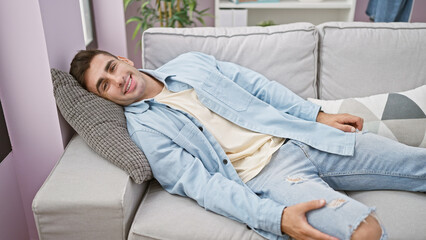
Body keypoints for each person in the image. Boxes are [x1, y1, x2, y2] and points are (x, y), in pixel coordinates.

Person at [70, 49, 425, 240]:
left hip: (302, 137)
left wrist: (317, 116)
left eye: (113, 67)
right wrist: (275, 218)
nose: (118, 80)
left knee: (418, 164)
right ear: (105, 99)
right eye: (104, 85)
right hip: (270, 177)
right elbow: (201, 185)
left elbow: (259, 87)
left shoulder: (191, 64)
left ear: (126, 60)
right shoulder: (145, 131)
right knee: (363, 230)